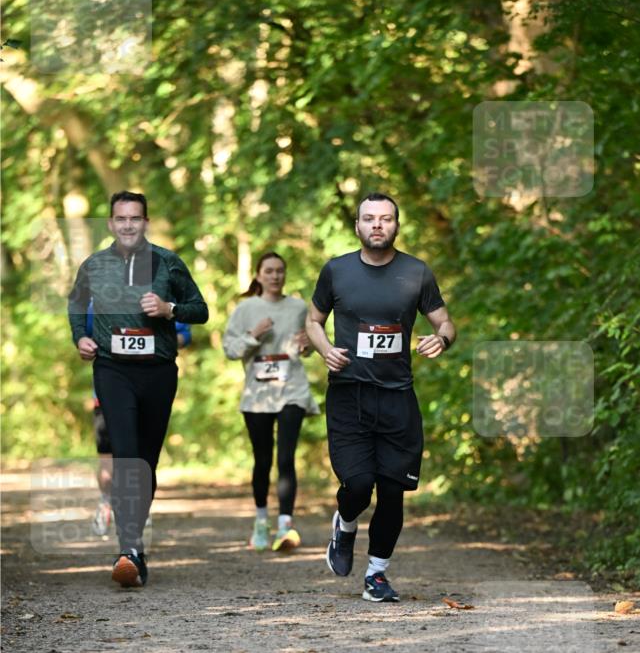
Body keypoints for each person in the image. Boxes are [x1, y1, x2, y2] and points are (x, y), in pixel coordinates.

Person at [306, 192, 456, 603]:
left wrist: (442, 339)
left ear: (396, 225)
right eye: (369, 218)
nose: (377, 225)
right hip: (349, 395)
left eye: (385, 218)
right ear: (357, 226)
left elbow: (444, 321)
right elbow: (314, 320)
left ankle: (376, 574)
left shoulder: (416, 272)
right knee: (357, 484)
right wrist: (324, 349)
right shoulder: (336, 271)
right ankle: (346, 521)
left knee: (392, 491)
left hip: (397, 398)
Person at [68, 190, 208, 587]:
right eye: (121, 218)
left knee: (146, 463)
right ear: (111, 223)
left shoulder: (168, 262)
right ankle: (128, 549)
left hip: (158, 372)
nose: (128, 225)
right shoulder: (94, 265)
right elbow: (76, 304)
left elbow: (201, 309)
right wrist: (81, 337)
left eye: (135, 218)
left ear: (146, 222)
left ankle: (135, 544)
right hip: (113, 370)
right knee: (126, 456)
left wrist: (170, 310)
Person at [223, 251, 318, 552]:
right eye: (269, 271)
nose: (275, 276)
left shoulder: (298, 306)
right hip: (258, 395)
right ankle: (261, 521)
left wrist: (307, 346)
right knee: (263, 460)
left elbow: (311, 345)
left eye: (280, 271)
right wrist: (254, 334)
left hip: (292, 389)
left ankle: (285, 526)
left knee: (286, 458)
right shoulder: (245, 309)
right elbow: (230, 349)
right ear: (258, 275)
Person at [86, 299, 193, 538]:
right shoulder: (100, 299)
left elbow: (185, 334)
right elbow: (87, 334)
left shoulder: (163, 297)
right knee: (108, 461)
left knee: (140, 454)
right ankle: (106, 501)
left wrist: (159, 343)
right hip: (108, 393)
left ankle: (136, 510)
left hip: (149, 387)